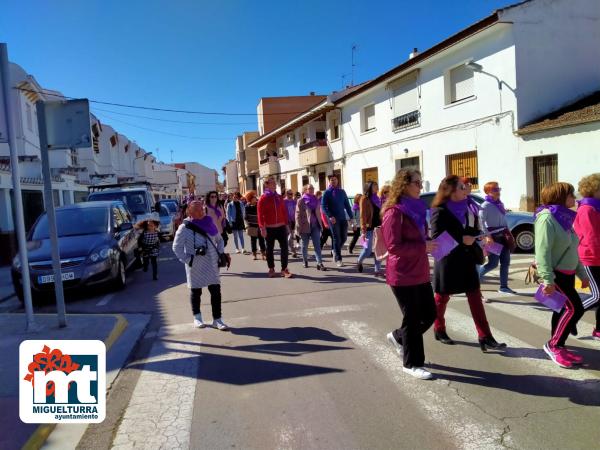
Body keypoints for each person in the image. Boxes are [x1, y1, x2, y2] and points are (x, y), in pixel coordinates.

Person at [431, 175, 506, 351]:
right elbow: (435, 237)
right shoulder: (439, 210)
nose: (465, 189)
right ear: (450, 191)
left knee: (475, 296)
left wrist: (481, 239)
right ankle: (439, 328)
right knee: (442, 297)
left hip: (467, 258)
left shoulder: (469, 207)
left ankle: (485, 336)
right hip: (448, 259)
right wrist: (461, 239)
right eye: (461, 187)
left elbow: (473, 230)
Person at [382, 169, 437, 380]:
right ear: (404, 185)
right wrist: (423, 246)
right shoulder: (393, 212)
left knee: (429, 314)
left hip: (420, 270)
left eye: (420, 182)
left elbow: (420, 238)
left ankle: (398, 337)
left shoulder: (418, 208)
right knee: (413, 318)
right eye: (416, 183)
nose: (420, 186)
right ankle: (412, 363)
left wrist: (430, 243)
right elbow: (394, 246)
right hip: (402, 274)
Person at [535, 182, 590, 368]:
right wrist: (547, 279)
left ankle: (560, 344)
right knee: (575, 308)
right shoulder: (547, 218)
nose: (574, 198)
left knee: (561, 310)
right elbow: (542, 252)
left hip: (567, 273)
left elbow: (573, 248)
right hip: (555, 274)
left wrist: (581, 274)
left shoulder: (564, 218)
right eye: (571, 195)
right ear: (560, 196)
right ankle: (553, 345)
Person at [172, 200, 229, 330]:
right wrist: (188, 260)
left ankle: (217, 319)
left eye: (202, 209)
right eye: (198, 210)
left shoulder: (209, 222)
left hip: (212, 262)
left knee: (215, 291)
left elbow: (220, 240)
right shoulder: (185, 227)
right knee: (196, 291)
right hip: (195, 264)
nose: (202, 211)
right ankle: (197, 318)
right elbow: (176, 247)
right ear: (190, 212)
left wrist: (220, 253)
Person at [478, 181, 516, 297]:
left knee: (506, 262)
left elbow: (503, 220)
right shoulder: (485, 205)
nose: (498, 191)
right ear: (488, 192)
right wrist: (488, 236)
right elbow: (481, 222)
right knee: (493, 263)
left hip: (503, 235)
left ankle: (504, 287)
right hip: (494, 238)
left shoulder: (499, 204)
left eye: (499, 189)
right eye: (495, 190)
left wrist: (509, 233)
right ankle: (473, 280)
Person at [574, 173, 600, 340]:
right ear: (594, 189)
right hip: (590, 258)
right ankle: (569, 316)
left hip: (598, 256)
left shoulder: (596, 207)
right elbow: (591, 238)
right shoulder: (587, 209)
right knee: (597, 296)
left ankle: (598, 330)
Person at [258, 178, 292, 278]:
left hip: (281, 226)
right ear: (267, 185)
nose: (274, 184)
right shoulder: (263, 198)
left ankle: (284, 269)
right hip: (269, 228)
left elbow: (284, 211)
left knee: (285, 248)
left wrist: (286, 225)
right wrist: (262, 228)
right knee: (269, 250)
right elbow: (260, 214)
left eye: (274, 182)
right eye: (272, 183)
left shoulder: (279, 197)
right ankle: (271, 268)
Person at [321, 175, 353, 267]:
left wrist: (351, 218)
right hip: (333, 220)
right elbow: (323, 206)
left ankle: (335, 250)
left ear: (337, 180)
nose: (333, 181)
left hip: (343, 218)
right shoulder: (327, 193)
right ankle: (338, 259)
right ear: (329, 182)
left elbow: (347, 205)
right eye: (331, 180)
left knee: (344, 238)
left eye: (335, 179)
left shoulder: (342, 192)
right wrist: (330, 216)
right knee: (336, 238)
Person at [296, 184, 326, 270]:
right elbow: (297, 215)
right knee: (304, 245)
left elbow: (319, 212)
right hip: (305, 225)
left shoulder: (316, 199)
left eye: (313, 188)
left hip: (315, 225)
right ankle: (305, 260)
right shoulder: (301, 200)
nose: (312, 189)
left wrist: (322, 223)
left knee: (317, 245)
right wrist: (298, 227)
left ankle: (319, 262)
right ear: (305, 190)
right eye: (310, 188)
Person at [357, 182, 383, 276]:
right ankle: (359, 261)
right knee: (367, 250)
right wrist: (363, 230)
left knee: (378, 249)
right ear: (369, 187)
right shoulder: (364, 199)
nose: (377, 187)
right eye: (375, 186)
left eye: (377, 185)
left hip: (379, 226)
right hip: (368, 227)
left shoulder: (378, 198)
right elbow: (362, 215)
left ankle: (377, 270)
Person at [136, 214, 160, 281]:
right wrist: (140, 247)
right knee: (146, 261)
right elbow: (139, 241)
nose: (151, 226)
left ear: (155, 225)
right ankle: (145, 267)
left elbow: (158, 241)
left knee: (154, 262)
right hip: (146, 249)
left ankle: (155, 276)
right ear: (147, 226)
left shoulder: (157, 232)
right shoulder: (144, 233)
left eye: (152, 225)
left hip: (154, 248)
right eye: (149, 225)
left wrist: (157, 247)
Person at [244, 190, 266, 260]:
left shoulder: (259, 205)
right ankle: (254, 254)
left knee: (261, 240)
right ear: (250, 199)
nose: (255, 198)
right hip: (252, 226)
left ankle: (263, 254)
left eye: (255, 197)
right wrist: (247, 225)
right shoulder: (247, 207)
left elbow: (263, 214)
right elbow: (245, 217)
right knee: (253, 241)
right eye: (253, 197)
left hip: (259, 225)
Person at [284, 189, 298, 258]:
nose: (291, 195)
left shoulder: (294, 202)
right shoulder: (284, 201)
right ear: (286, 194)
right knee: (289, 236)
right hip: (286, 221)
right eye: (289, 194)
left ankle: (288, 249)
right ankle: (292, 251)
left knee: (291, 236)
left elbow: (296, 211)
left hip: (293, 221)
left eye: (292, 194)